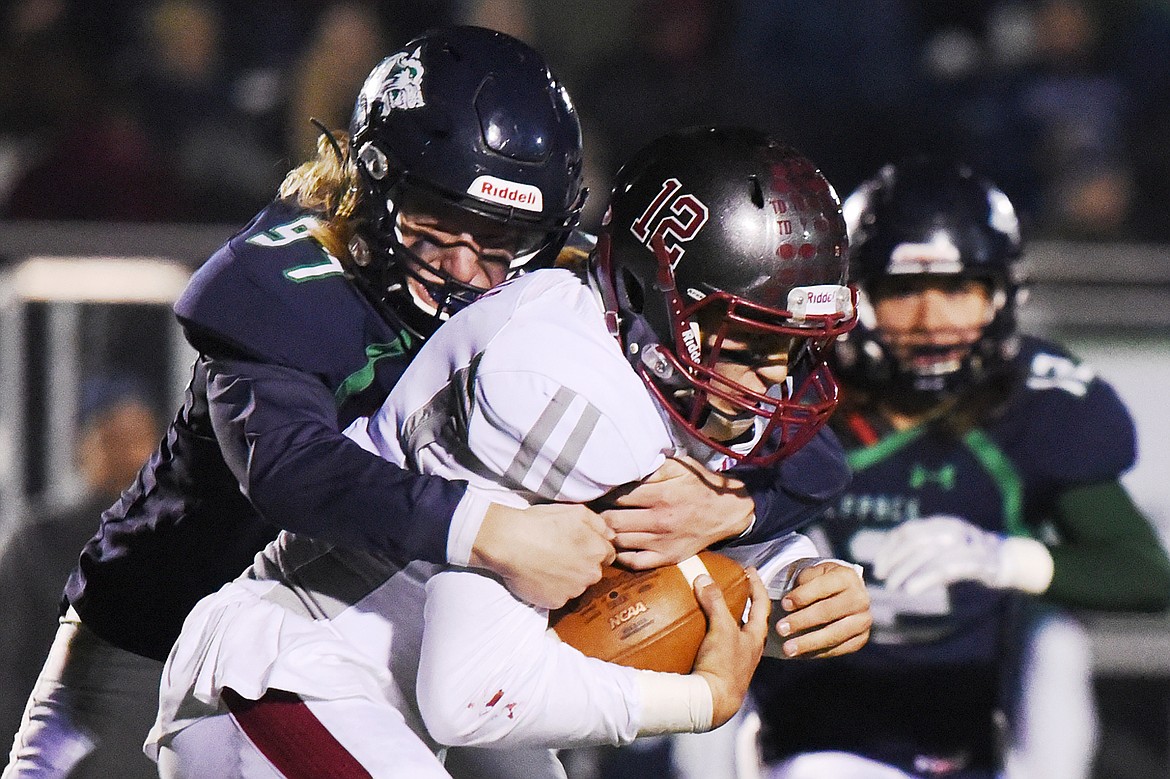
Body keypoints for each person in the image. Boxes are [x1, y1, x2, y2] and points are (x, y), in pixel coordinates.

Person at [2, 28, 857, 779]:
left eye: (503, 239)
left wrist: (730, 505)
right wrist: (487, 529)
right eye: (438, 224)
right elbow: (292, 470)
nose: (468, 269)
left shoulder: (575, 288)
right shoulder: (286, 276)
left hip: (393, 647)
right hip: (158, 624)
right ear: (370, 184)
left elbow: (811, 451)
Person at [749, 157, 1170, 779]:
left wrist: (1009, 559)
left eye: (959, 289)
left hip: (970, 722)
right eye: (903, 290)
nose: (933, 319)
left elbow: (1144, 572)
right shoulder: (795, 388)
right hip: (804, 724)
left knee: (1056, 637)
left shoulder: (1040, 400)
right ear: (854, 294)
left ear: (1001, 294)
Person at [0, 378, 161, 747]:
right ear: (83, 446)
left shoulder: (174, 536)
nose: (131, 454)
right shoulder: (38, 542)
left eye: (139, 438)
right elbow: (10, 663)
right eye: (112, 438)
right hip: (58, 751)